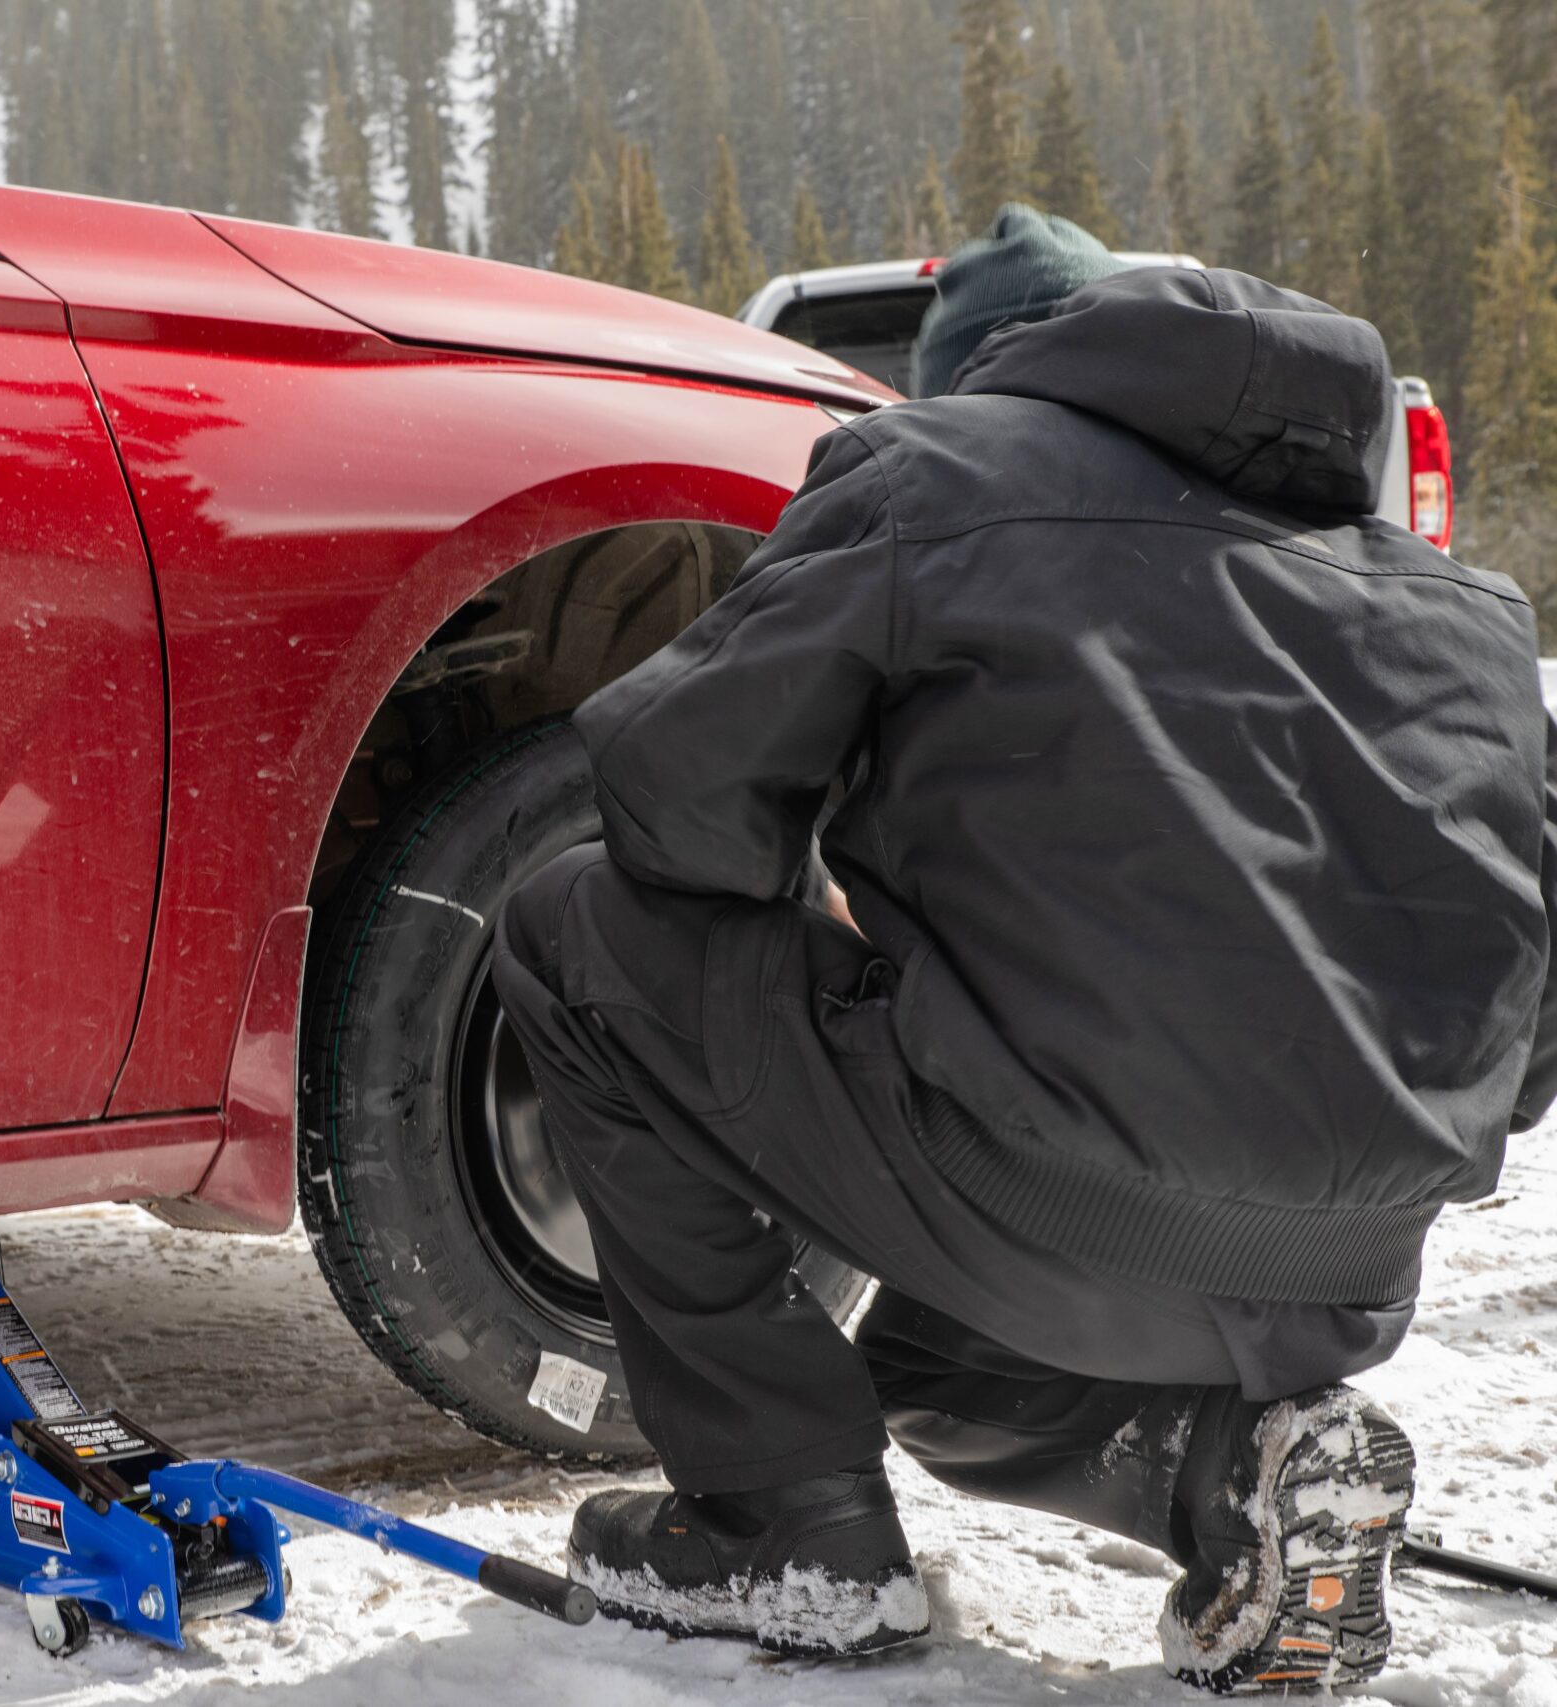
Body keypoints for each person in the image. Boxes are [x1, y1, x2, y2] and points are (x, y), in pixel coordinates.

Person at [490, 205, 1556, 1690]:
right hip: (1358, 1259)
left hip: (1044, 1176)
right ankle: (1240, 1474)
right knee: (933, 1368)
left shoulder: (932, 475)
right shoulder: (1463, 605)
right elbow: (1530, 1001)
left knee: (572, 927)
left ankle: (778, 1521)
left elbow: (677, 803)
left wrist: (846, 899)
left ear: (986, 374)